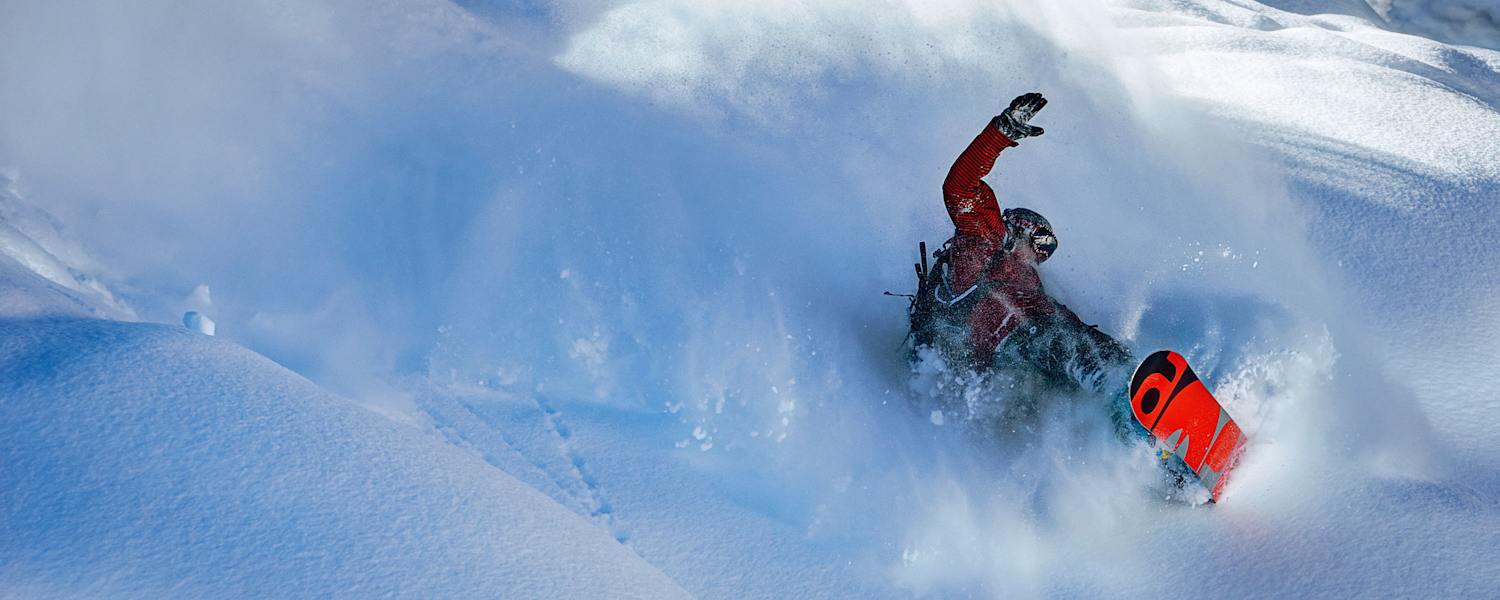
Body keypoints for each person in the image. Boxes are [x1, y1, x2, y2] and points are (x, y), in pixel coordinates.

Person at [910, 92, 1133, 402]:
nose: (1041, 254)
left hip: (1013, 359)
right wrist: (1001, 133)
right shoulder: (987, 237)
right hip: (1010, 332)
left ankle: (1130, 399)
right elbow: (958, 187)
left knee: (1086, 345)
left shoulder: (1028, 279)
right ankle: (1111, 384)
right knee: (1057, 337)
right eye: (1042, 241)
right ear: (1021, 227)